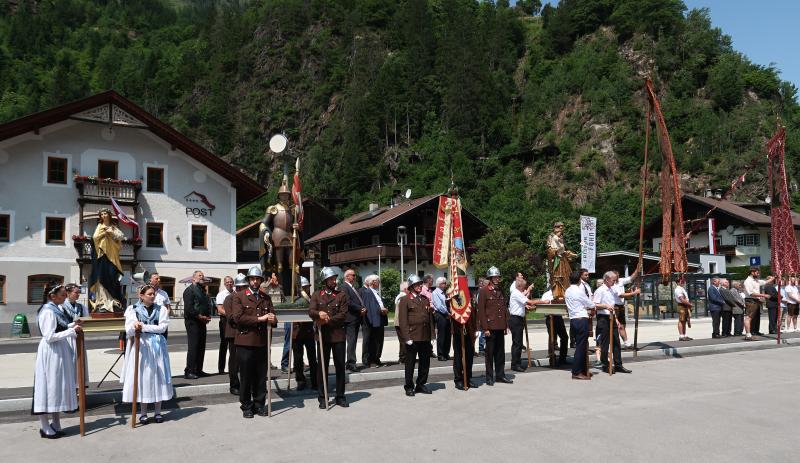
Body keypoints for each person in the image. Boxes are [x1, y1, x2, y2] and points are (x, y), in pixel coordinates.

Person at [32, 282, 82, 438]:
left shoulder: (56, 309)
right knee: (48, 386)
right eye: (62, 294)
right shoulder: (47, 311)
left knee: (57, 387)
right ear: (52, 296)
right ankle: (45, 426)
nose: (65, 296)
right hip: (51, 351)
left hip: (59, 350)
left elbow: (61, 326)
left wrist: (73, 324)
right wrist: (71, 331)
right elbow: (49, 336)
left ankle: (56, 423)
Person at [122, 284, 172, 424]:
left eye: (153, 294)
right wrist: (134, 327)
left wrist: (144, 326)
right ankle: (143, 412)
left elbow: (162, 328)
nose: (153, 296)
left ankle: (157, 411)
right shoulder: (132, 310)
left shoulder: (161, 309)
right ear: (141, 296)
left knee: (158, 376)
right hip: (141, 345)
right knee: (143, 377)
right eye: (149, 294)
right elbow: (128, 330)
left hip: (156, 345)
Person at [231, 266, 276, 418]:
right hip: (245, 342)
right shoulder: (240, 296)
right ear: (248, 280)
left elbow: (272, 316)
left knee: (260, 376)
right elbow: (238, 318)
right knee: (246, 376)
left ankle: (259, 404)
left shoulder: (266, 298)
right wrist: (259, 319)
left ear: (261, 280)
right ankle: (246, 405)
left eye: (257, 279)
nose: (255, 281)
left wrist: (273, 318)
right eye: (252, 279)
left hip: (262, 342)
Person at [310, 267, 350, 408]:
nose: (334, 281)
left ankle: (340, 396)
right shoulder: (317, 295)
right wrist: (318, 314)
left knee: (340, 366)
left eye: (334, 278)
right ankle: (323, 396)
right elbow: (311, 311)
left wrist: (327, 320)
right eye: (331, 279)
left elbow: (343, 315)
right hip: (323, 336)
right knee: (322, 367)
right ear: (325, 281)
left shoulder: (341, 295)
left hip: (338, 335)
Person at [398, 275, 435, 396]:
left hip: (425, 336)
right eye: (417, 284)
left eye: (420, 284)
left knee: (425, 362)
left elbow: (429, 319)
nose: (420, 286)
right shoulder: (405, 300)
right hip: (412, 337)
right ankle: (409, 386)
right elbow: (403, 321)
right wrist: (406, 338)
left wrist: (432, 335)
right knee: (410, 363)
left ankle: (421, 384)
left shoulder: (424, 299)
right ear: (411, 286)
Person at [477, 266, 512, 385]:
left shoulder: (500, 290)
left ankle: (500, 375)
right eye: (495, 277)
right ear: (490, 278)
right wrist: (485, 328)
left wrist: (506, 325)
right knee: (489, 354)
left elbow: (503, 308)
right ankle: (489, 377)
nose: (497, 279)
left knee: (500, 353)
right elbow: (481, 311)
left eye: (498, 277)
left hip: (500, 326)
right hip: (490, 327)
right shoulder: (484, 291)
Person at [593, 272, 632, 374]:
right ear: (606, 280)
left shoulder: (612, 288)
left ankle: (618, 364)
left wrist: (616, 319)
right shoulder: (600, 290)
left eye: (615, 280)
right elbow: (594, 305)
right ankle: (605, 364)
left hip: (612, 317)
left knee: (616, 342)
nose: (615, 282)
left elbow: (619, 297)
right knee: (605, 343)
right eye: (613, 280)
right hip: (603, 318)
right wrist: (605, 306)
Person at [89, 208, 125, 312]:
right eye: (102, 214)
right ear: (100, 217)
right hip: (102, 255)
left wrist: (112, 232)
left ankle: (113, 300)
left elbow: (121, 236)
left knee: (112, 276)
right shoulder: (100, 226)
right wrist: (104, 234)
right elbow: (95, 237)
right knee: (101, 276)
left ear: (109, 215)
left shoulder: (113, 227)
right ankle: (103, 302)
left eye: (105, 213)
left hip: (112, 256)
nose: (104, 215)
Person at [565, 271, 595, 380]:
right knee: (581, 347)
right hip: (581, 319)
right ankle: (577, 372)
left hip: (573, 319)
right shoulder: (579, 291)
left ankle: (583, 369)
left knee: (580, 346)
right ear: (578, 280)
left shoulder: (567, 290)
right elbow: (590, 304)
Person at [182, 270, 212, 379]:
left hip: (202, 322)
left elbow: (205, 304)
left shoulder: (202, 290)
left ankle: (198, 369)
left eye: (203, 276)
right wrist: (200, 317)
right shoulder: (189, 291)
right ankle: (189, 370)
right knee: (193, 346)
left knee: (201, 346)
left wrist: (207, 316)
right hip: (192, 322)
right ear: (193, 278)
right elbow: (189, 309)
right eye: (199, 276)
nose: (202, 277)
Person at [292, 277, 318, 391]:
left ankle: (314, 380)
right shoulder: (294, 299)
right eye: (302, 287)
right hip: (297, 332)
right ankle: (300, 380)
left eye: (306, 287)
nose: (304, 289)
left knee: (312, 358)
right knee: (298, 359)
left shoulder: (312, 299)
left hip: (308, 332)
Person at [225, 274, 248, 395]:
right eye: (242, 287)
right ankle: (234, 385)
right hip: (234, 333)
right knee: (234, 361)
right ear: (237, 287)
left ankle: (245, 384)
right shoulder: (229, 299)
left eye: (245, 286)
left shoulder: (245, 298)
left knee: (244, 360)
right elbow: (231, 318)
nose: (243, 289)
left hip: (245, 333)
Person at [62, 283, 89, 385]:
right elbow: (61, 325)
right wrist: (74, 324)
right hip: (67, 337)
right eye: (76, 292)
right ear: (68, 293)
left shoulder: (81, 307)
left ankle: (79, 387)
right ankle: (69, 386)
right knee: (69, 363)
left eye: (79, 293)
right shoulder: (61, 307)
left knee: (79, 363)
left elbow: (86, 320)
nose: (78, 295)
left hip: (79, 337)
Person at [360, 274, 388, 368]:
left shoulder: (375, 292)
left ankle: (376, 359)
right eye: (377, 281)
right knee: (372, 341)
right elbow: (368, 307)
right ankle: (370, 361)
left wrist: (383, 310)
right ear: (373, 282)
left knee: (378, 341)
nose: (379, 283)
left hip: (379, 319)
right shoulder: (367, 292)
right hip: (373, 321)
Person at [508, 273, 534, 372]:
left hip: (518, 319)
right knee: (517, 343)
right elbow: (529, 301)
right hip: (515, 319)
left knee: (517, 343)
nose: (525, 288)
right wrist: (542, 301)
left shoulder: (518, 292)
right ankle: (515, 364)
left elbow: (523, 303)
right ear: (520, 286)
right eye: (524, 286)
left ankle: (516, 363)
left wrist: (526, 306)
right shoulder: (516, 292)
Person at [546, 221, 578, 301]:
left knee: (567, 276)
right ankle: (558, 295)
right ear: (555, 228)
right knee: (558, 277)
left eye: (562, 227)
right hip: (556, 261)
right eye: (559, 227)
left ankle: (566, 294)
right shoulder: (551, 237)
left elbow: (564, 250)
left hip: (563, 260)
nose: (561, 228)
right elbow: (549, 250)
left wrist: (571, 254)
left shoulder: (561, 237)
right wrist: (556, 250)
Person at [342, 268, 366, 372]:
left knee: (353, 340)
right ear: (347, 276)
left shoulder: (352, 287)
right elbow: (348, 302)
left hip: (355, 317)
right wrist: (360, 308)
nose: (354, 277)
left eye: (354, 275)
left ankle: (350, 362)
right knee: (351, 341)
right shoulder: (344, 287)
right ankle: (351, 363)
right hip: (350, 318)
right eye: (353, 275)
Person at [611, 269, 639, 349]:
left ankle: (627, 343)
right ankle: (612, 344)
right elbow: (620, 295)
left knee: (622, 326)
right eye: (615, 277)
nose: (616, 278)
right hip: (614, 306)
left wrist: (637, 269)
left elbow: (631, 278)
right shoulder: (611, 285)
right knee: (616, 326)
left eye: (617, 276)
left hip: (621, 306)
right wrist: (633, 293)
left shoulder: (620, 281)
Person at [744, 267, 773, 337]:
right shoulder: (748, 281)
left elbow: (765, 282)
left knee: (756, 317)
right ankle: (748, 333)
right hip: (750, 300)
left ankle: (755, 331)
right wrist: (764, 295)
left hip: (756, 300)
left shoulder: (756, 280)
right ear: (752, 272)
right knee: (749, 317)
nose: (758, 274)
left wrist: (774, 277)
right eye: (757, 272)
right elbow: (751, 293)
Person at [215, 276, 234, 374]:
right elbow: (220, 309)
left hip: (234, 321)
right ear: (224, 283)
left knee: (233, 345)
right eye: (227, 282)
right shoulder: (221, 294)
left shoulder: (236, 293)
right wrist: (230, 315)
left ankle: (233, 367)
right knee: (224, 344)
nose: (229, 283)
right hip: (224, 321)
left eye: (231, 282)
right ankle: (221, 369)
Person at [431, 277, 452, 361]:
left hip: (447, 314)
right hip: (441, 315)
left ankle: (446, 353)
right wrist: (447, 313)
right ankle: (441, 354)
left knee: (448, 335)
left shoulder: (444, 292)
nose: (445, 284)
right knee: (442, 335)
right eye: (443, 283)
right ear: (439, 284)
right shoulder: (435, 292)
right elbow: (439, 306)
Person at [150, 273, 171, 338]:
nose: (159, 280)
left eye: (159, 279)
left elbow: (168, 307)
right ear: (150, 280)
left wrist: (165, 316)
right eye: (156, 279)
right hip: (151, 321)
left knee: (163, 340)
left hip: (162, 322)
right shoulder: (146, 292)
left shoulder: (164, 293)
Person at [674, 275, 693, 342]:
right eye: (682, 281)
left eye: (683, 281)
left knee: (684, 321)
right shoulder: (678, 289)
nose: (683, 282)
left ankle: (684, 335)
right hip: (681, 305)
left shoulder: (682, 288)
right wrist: (689, 304)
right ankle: (681, 336)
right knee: (681, 320)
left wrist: (688, 305)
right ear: (678, 282)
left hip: (684, 305)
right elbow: (682, 299)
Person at [473, 277, 488, 356]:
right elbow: (479, 304)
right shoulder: (480, 291)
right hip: (482, 314)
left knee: (485, 331)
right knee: (482, 332)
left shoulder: (481, 291)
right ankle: (481, 349)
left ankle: (484, 348)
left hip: (486, 314)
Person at [395, 281, 409, 364]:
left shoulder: (400, 296)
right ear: (405, 289)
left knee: (403, 341)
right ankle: (403, 358)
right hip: (401, 322)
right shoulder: (403, 297)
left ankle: (403, 357)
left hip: (399, 322)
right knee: (404, 340)